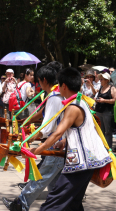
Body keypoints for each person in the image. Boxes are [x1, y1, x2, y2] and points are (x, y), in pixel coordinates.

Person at [22, 67, 111, 211]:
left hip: (80, 164)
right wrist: (65, 141)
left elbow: (57, 133)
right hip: (88, 163)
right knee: (73, 204)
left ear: (64, 86)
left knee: (52, 204)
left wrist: (37, 150)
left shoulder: (73, 107)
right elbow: (82, 129)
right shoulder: (81, 102)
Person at [2, 65, 65, 211]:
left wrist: (30, 138)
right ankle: (60, 205)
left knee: (41, 177)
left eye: (38, 80)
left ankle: (21, 204)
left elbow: (47, 128)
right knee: (54, 182)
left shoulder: (54, 98)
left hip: (55, 143)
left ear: (43, 80)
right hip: (56, 143)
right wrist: (28, 124)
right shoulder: (54, 96)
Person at [95, 72, 116, 148]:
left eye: (102, 79)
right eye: (100, 79)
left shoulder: (112, 88)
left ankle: (108, 148)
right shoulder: (101, 88)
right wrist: (96, 100)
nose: (100, 81)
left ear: (107, 80)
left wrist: (104, 100)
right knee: (100, 131)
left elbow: (114, 100)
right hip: (99, 112)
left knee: (108, 132)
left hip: (107, 112)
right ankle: (102, 148)